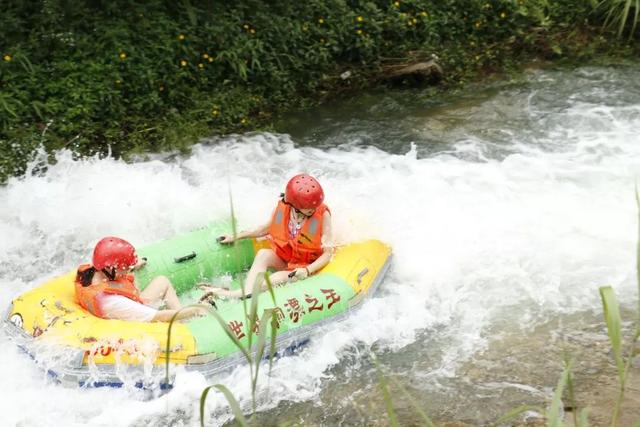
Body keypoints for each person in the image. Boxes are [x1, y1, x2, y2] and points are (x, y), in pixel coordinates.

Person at [200, 173, 333, 300]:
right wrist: (237, 236)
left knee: (275, 279)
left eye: (315, 205)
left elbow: (328, 253)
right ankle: (244, 293)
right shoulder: (284, 208)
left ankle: (227, 294)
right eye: (309, 206)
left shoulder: (323, 215)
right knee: (264, 254)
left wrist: (307, 270)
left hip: (303, 267)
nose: (314, 208)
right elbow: (267, 228)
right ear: (295, 204)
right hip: (287, 259)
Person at [75, 237, 206, 322]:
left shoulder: (93, 272)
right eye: (125, 268)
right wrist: (194, 310)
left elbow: (113, 274)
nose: (128, 271)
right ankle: (184, 322)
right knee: (171, 312)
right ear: (110, 268)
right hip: (129, 319)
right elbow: (158, 316)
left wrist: (130, 265)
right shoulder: (112, 302)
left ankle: (181, 316)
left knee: (162, 280)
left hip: (121, 306)